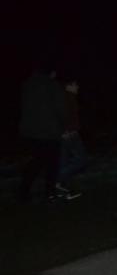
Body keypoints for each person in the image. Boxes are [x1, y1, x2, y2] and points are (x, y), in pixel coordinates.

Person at [18, 60, 75, 203]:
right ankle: (49, 192)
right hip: (49, 131)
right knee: (52, 164)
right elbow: (61, 109)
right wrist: (65, 126)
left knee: (37, 161)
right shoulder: (52, 86)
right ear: (52, 73)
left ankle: (24, 191)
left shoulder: (27, 85)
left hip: (30, 132)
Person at [57, 78, 88, 196]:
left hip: (66, 134)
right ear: (68, 85)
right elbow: (60, 115)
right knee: (81, 160)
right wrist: (64, 130)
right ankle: (57, 180)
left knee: (64, 162)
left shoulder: (66, 97)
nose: (77, 87)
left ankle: (62, 189)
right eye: (75, 84)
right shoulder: (67, 98)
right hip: (69, 134)